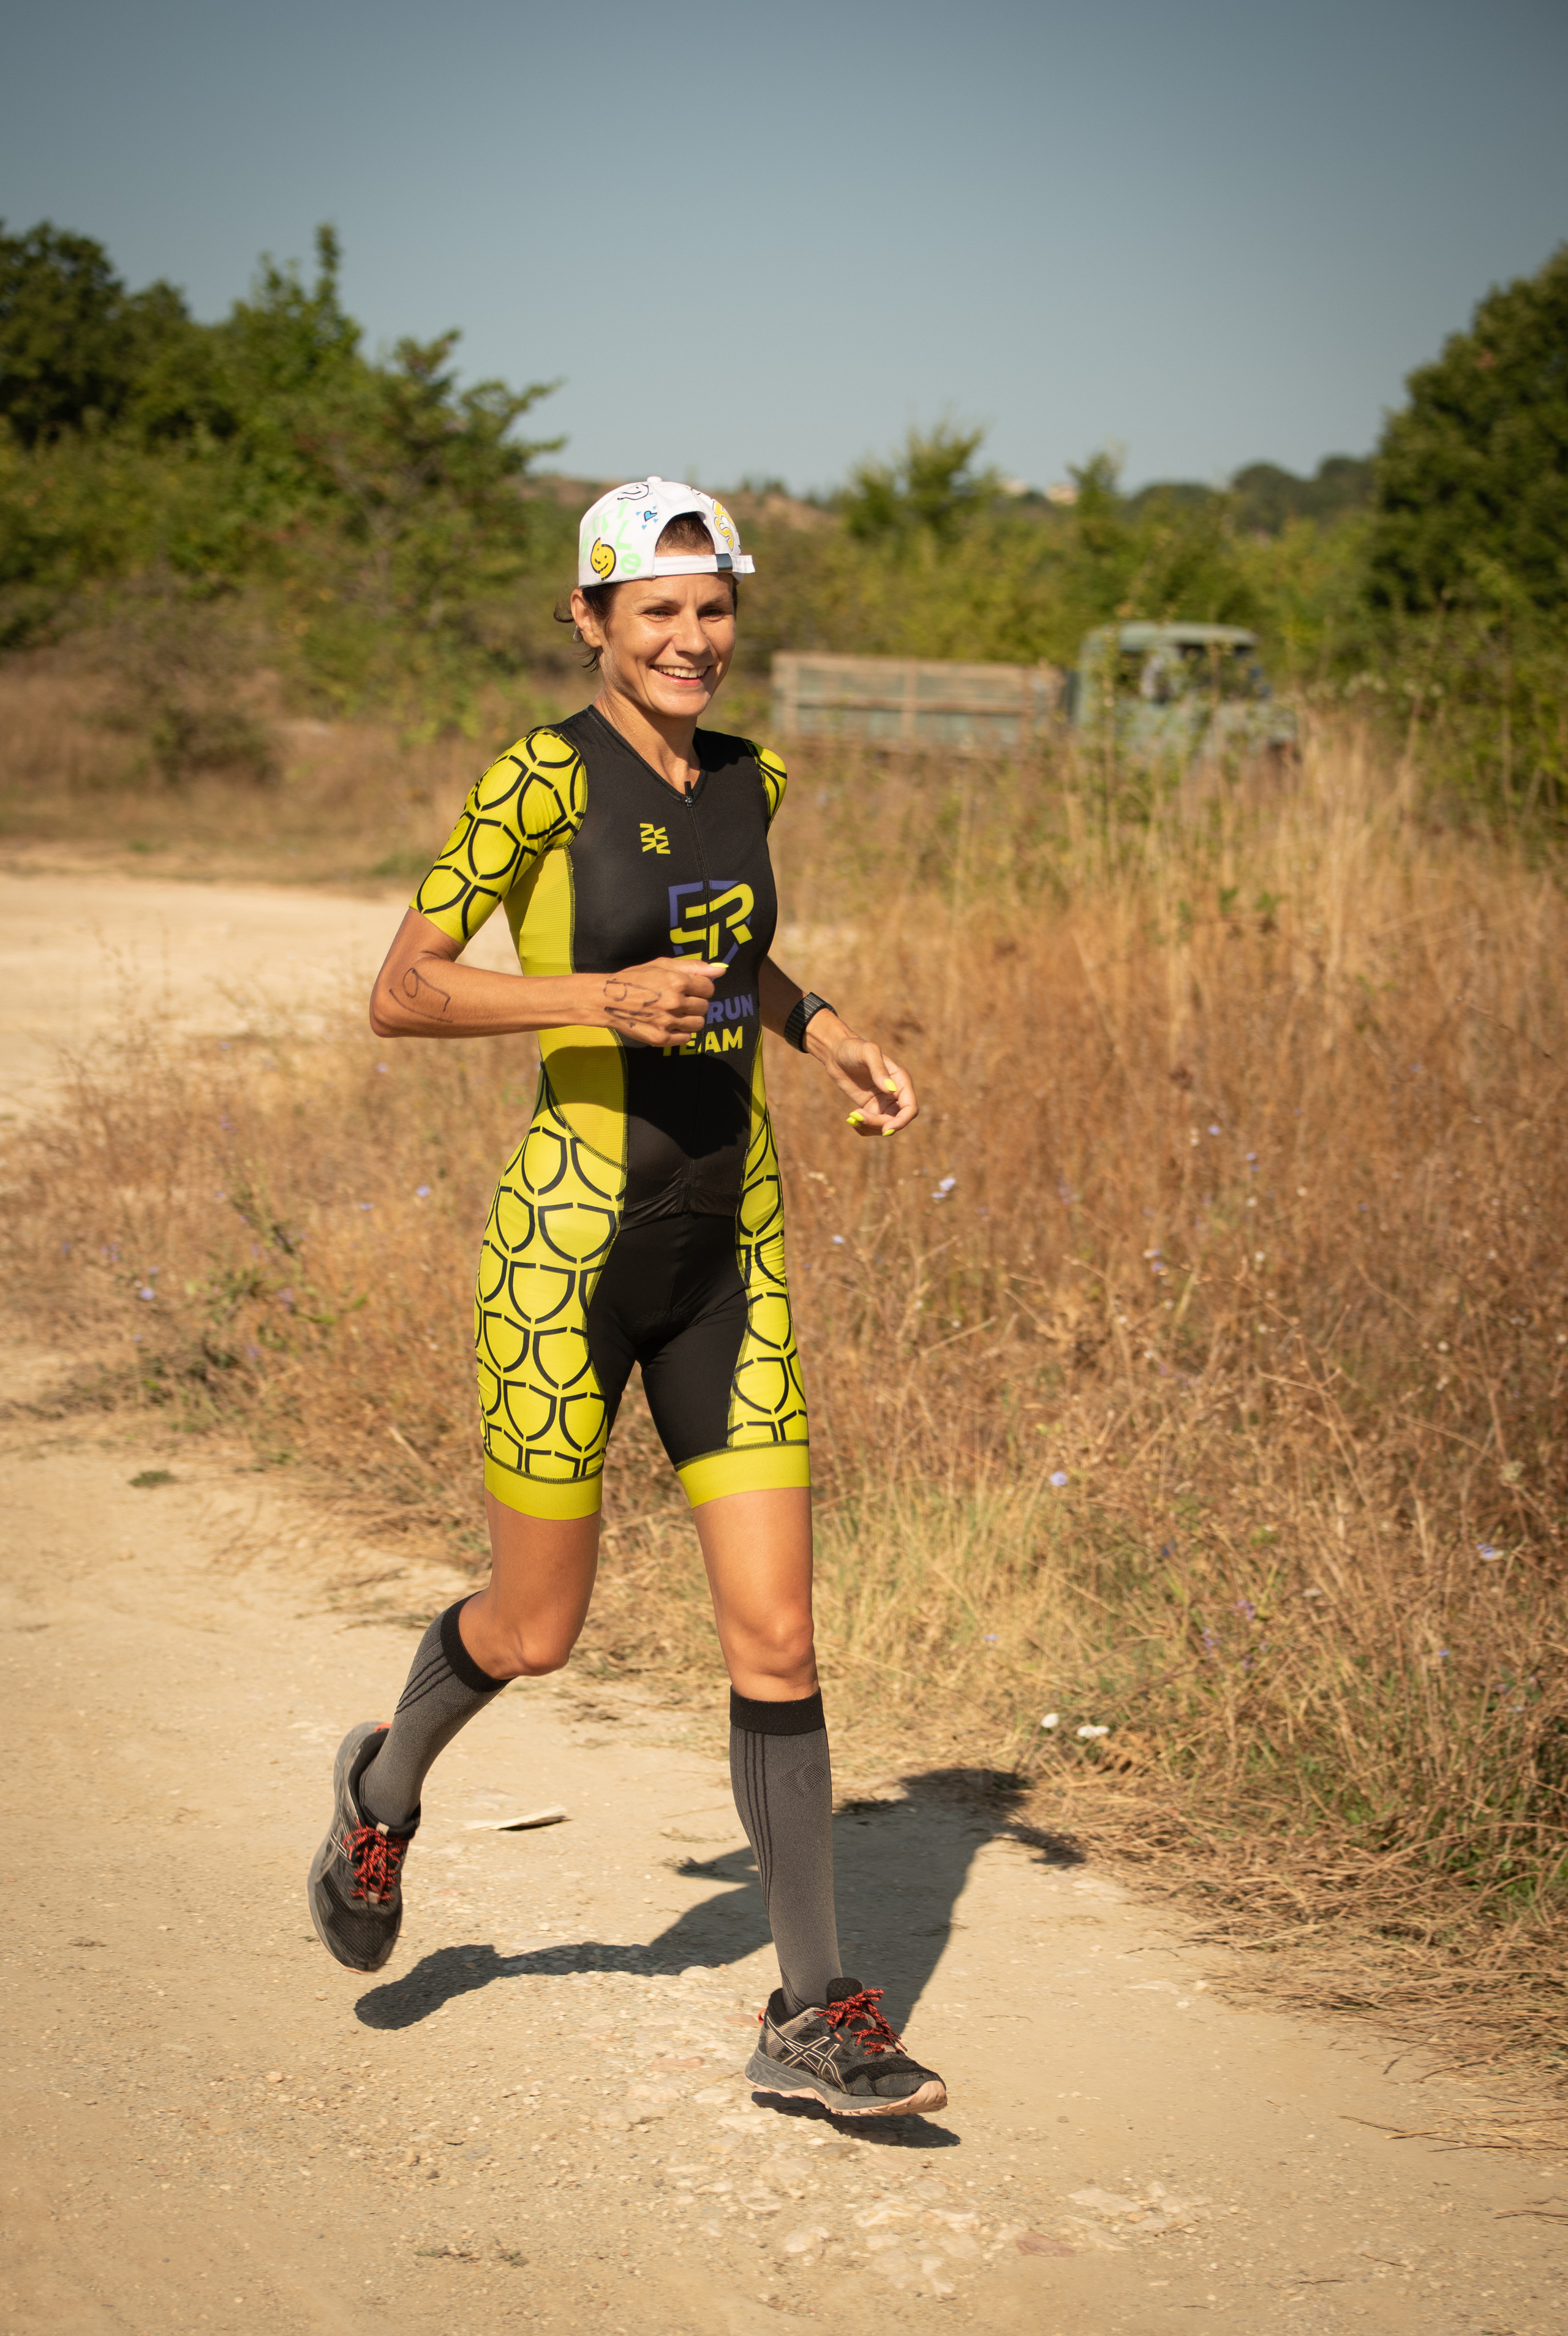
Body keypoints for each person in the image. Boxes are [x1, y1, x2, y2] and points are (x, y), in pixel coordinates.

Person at [307, 478, 946, 2119]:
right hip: (563, 1262)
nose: (691, 637)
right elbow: (401, 990)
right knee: (538, 1630)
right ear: (592, 622)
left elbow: (731, 954)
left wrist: (827, 1031)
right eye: (654, 610)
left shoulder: (755, 778)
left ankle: (812, 2012)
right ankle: (383, 1786)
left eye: (711, 605)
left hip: (730, 1247)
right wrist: (597, 997)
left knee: (781, 1637)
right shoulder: (538, 776)